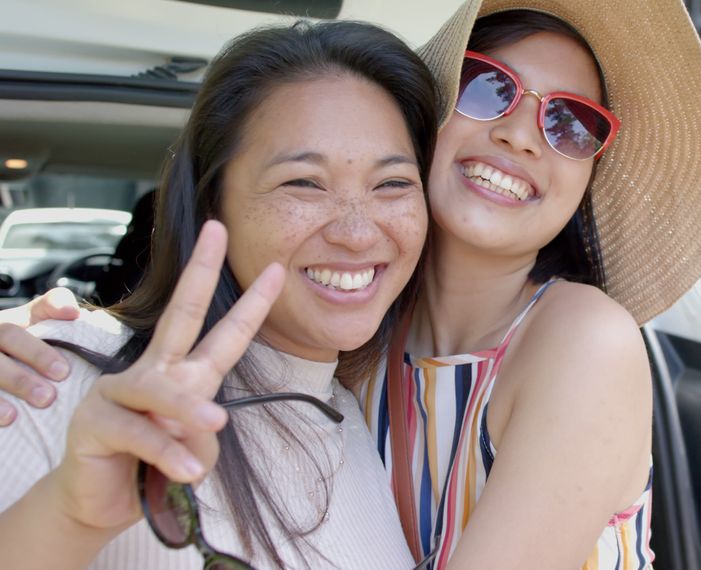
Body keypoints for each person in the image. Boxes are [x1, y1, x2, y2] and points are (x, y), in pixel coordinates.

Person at [0, 1, 701, 568]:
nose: (523, 133)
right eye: (489, 87)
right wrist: (70, 342)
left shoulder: (581, 341)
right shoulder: (352, 351)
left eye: (573, 123)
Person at [0, 19, 442, 569]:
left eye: (393, 184)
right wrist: (67, 519)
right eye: (302, 182)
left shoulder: (372, 417)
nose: (356, 232)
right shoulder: (55, 375)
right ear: (213, 205)